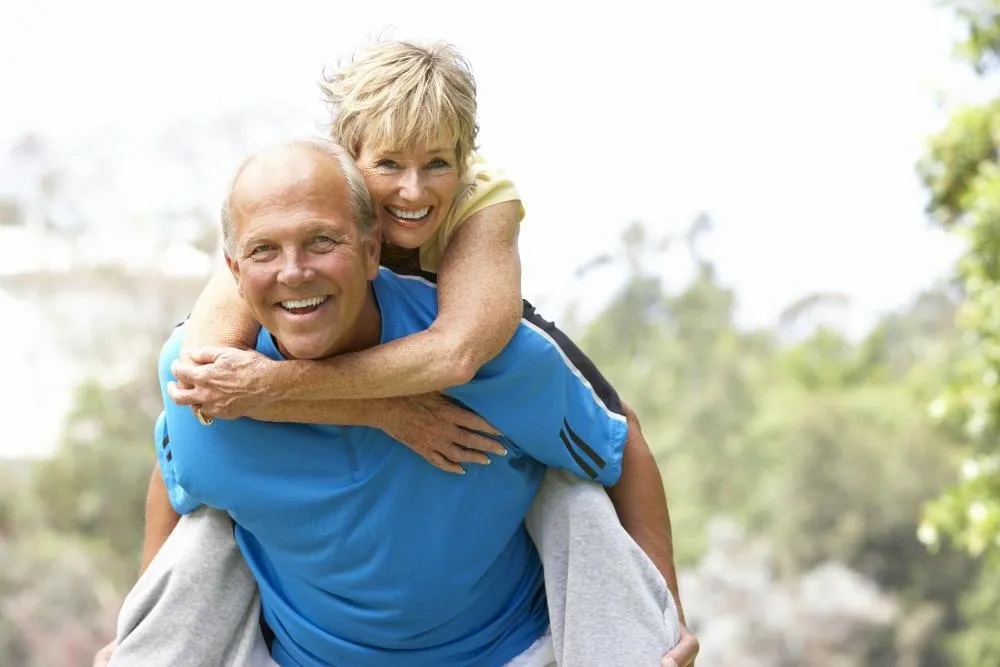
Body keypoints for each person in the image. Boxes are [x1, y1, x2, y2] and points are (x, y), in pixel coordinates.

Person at [110, 41, 697, 666]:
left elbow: (457, 356)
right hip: (308, 628)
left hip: (457, 336)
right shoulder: (292, 220)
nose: (412, 190)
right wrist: (378, 409)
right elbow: (189, 430)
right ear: (347, 158)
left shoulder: (481, 209)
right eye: (389, 164)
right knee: (210, 510)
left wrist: (668, 621)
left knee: (571, 487)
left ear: (462, 160)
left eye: (437, 163)